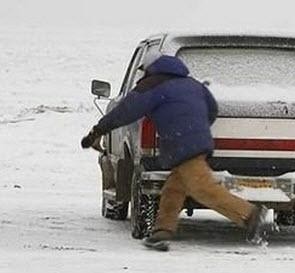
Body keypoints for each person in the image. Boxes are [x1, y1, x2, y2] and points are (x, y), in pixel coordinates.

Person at [81, 53, 268, 251]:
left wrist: (97, 132)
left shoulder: (152, 85)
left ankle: (249, 215)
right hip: (197, 142)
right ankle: (161, 232)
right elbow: (211, 109)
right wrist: (195, 129)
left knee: (202, 188)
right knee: (174, 189)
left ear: (149, 69)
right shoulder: (193, 84)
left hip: (182, 145)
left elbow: (124, 112)